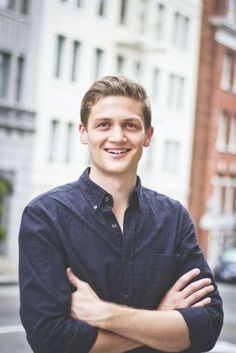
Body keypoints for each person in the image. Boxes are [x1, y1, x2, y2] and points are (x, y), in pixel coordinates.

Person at [19, 75, 223, 353]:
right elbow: (51, 340)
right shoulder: (45, 216)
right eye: (104, 125)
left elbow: (208, 326)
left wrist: (104, 313)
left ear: (147, 135)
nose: (118, 136)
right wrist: (162, 319)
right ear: (83, 132)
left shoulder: (173, 217)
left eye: (130, 125)